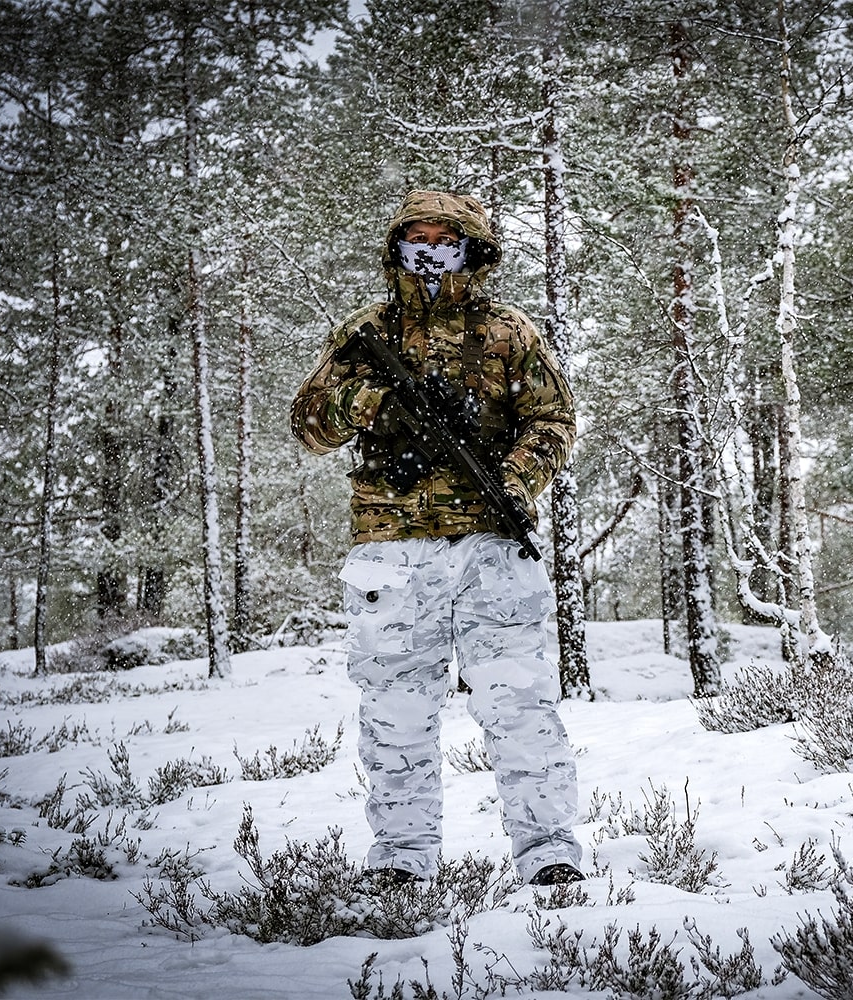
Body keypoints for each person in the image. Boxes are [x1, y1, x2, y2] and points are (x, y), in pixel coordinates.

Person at [290, 190, 584, 888]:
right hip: (391, 549)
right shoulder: (366, 332)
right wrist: (373, 400)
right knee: (396, 711)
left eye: (443, 239)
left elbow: (553, 422)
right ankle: (400, 858)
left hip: (490, 545)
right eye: (415, 238)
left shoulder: (507, 331)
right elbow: (309, 427)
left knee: (519, 704)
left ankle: (548, 852)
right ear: (396, 248)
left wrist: (512, 481)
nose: (428, 251)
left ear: (470, 249)